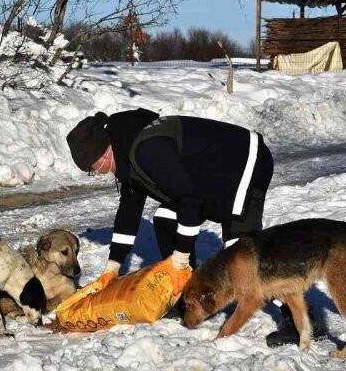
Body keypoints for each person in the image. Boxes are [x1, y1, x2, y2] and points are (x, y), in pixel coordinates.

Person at [66, 108, 322, 347]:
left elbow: (190, 200)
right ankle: (189, 294)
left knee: (241, 253)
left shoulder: (146, 149)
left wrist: (180, 257)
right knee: (166, 218)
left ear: (103, 152)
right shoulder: (127, 151)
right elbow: (129, 210)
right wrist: (113, 266)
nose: (98, 174)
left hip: (244, 163)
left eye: (93, 169)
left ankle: (302, 318)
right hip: (209, 176)